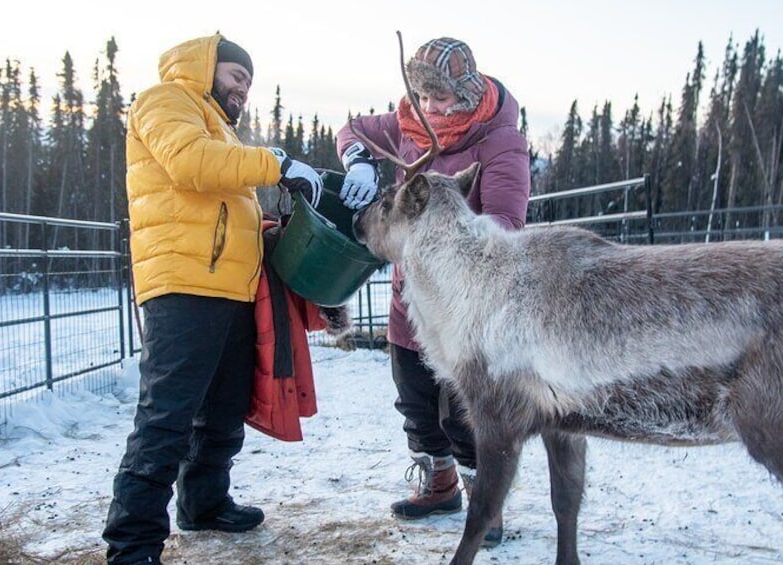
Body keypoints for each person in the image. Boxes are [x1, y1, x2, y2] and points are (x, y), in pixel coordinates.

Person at [102, 33, 324, 565]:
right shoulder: (164, 101)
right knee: (168, 415)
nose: (242, 90)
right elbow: (191, 166)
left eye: (248, 83)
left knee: (221, 410)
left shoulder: (219, 127)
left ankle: (204, 503)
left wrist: (267, 228)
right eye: (235, 76)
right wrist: (277, 164)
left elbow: (221, 203)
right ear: (206, 67)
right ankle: (132, 543)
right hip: (183, 285)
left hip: (231, 286)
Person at [336, 37, 531, 547]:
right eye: (423, 95)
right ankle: (439, 484)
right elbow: (351, 129)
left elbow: (506, 224)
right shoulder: (404, 124)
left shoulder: (499, 140)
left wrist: (444, 236)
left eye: (441, 97)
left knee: (467, 407)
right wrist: (358, 158)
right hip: (411, 298)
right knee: (417, 400)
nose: (430, 107)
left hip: (468, 307)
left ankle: (485, 502)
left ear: (466, 94)